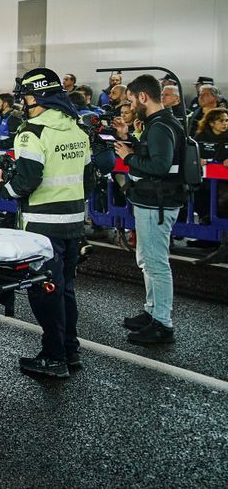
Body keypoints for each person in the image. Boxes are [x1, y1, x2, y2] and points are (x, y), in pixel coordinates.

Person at [0, 68, 92, 377]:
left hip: (42, 228)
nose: (23, 102)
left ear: (34, 97)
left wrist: (3, 187)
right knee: (65, 290)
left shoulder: (31, 132)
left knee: (45, 292)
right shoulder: (78, 129)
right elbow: (88, 180)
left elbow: (26, 182)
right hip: (74, 224)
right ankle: (70, 350)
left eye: (25, 96)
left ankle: (53, 357)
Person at [115, 74, 185, 345]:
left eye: (132, 100)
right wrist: (128, 137)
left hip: (158, 203)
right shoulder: (160, 123)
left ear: (143, 97)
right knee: (147, 260)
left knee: (156, 263)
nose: (131, 105)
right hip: (154, 201)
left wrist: (128, 157)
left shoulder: (160, 126)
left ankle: (162, 323)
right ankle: (152, 312)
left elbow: (159, 166)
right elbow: (155, 156)